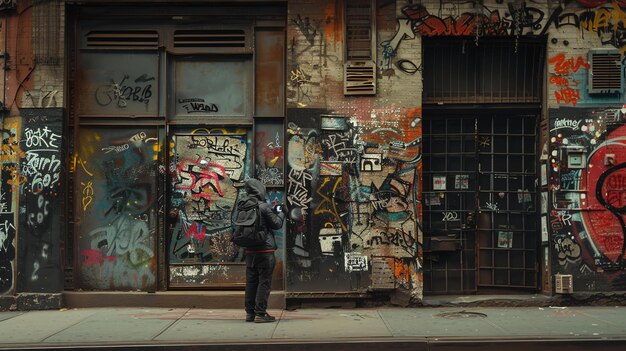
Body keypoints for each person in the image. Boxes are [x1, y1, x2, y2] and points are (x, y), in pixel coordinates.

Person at [239, 178, 285, 323]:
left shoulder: (242, 206)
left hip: (250, 250)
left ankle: (250, 313)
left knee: (251, 282)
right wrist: (282, 212)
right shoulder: (264, 207)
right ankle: (260, 313)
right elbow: (277, 224)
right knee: (264, 282)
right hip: (265, 251)